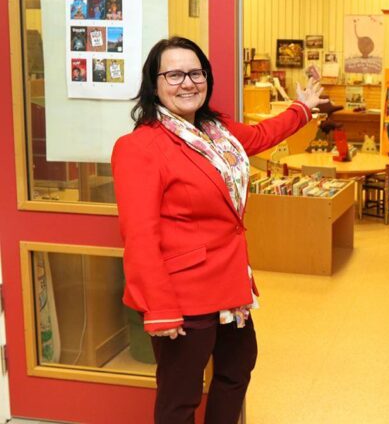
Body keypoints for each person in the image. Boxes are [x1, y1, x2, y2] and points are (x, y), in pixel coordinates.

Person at [111, 36, 326, 423]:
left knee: (237, 368)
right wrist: (159, 309)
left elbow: (260, 136)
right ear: (154, 84)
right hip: (184, 295)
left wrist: (301, 109)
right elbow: (139, 235)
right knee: (180, 396)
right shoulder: (139, 147)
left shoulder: (217, 131)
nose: (188, 83)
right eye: (174, 75)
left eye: (196, 73)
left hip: (231, 287)